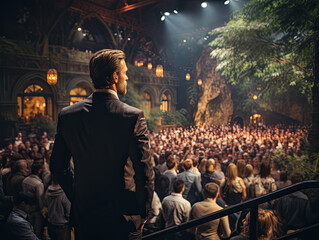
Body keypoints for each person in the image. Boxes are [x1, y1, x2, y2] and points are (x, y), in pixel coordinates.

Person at [50, 49, 154, 240]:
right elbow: (144, 172)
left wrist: (78, 195)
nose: (127, 77)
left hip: (85, 216)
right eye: (124, 73)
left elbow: (57, 165)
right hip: (123, 217)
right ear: (115, 77)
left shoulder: (68, 115)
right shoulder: (132, 116)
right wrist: (143, 212)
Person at [43, 176, 71, 240]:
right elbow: (68, 211)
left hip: (52, 224)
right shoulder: (64, 194)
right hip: (63, 226)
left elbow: (45, 206)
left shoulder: (47, 191)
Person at [22, 161, 45, 239]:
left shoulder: (25, 180)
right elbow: (40, 200)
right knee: (37, 233)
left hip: (27, 209)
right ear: (39, 171)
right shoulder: (38, 184)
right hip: (36, 211)